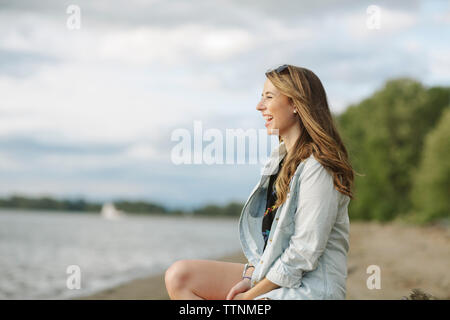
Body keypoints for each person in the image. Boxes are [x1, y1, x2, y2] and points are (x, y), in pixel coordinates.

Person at [164, 64, 355, 300]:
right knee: (180, 276)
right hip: (278, 277)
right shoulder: (280, 162)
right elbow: (273, 244)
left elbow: (303, 252)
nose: (259, 106)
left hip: (310, 290)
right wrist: (250, 276)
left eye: (269, 97)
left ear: (295, 104)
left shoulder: (318, 167)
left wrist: (250, 296)